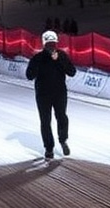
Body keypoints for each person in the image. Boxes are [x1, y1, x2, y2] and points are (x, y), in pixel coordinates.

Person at [25, 30, 77, 159]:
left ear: (56, 44)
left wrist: (60, 61)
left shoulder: (62, 56)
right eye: (49, 44)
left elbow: (72, 72)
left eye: (53, 44)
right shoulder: (37, 58)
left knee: (62, 117)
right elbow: (29, 75)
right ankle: (49, 148)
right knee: (45, 121)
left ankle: (63, 140)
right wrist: (38, 65)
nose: (51, 47)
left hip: (59, 93)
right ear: (44, 44)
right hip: (43, 95)